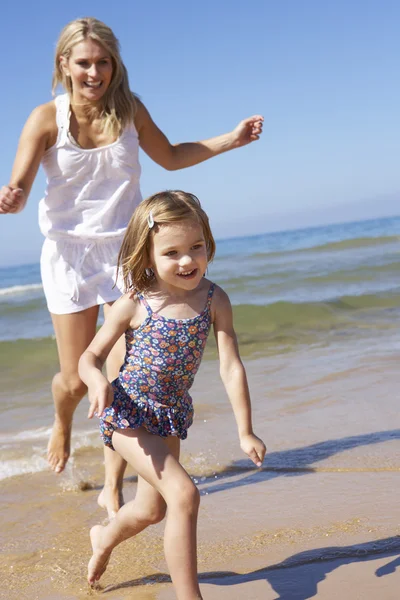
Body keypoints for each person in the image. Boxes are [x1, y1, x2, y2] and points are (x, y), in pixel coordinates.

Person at [0, 17, 263, 519]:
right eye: (83, 63)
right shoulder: (45, 119)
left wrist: (231, 140)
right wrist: (9, 197)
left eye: (103, 62)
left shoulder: (129, 109)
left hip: (127, 253)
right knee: (76, 380)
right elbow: (18, 187)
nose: (94, 72)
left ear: (114, 64)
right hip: (69, 256)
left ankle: (111, 483)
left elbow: (170, 155)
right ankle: (62, 422)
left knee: (126, 375)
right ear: (64, 65)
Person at [78, 190, 266, 596]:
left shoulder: (215, 299)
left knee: (151, 510)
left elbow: (231, 365)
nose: (187, 260)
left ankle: (104, 537)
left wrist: (245, 430)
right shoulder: (135, 303)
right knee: (184, 494)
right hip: (127, 414)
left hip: (168, 417)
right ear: (147, 256)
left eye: (196, 247)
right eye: (172, 252)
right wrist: (96, 381)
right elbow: (89, 357)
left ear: (208, 243)